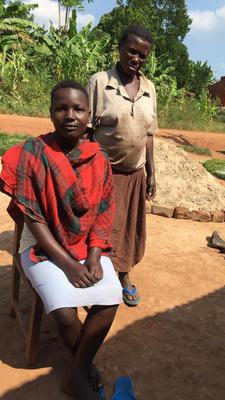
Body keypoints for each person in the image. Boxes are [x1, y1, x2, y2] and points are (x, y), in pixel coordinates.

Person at [0, 80, 123, 400]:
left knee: (111, 298)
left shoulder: (99, 159)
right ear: (51, 112)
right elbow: (35, 220)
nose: (70, 115)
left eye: (78, 109)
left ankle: (78, 369)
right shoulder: (33, 153)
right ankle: (82, 371)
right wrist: (69, 265)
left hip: (86, 242)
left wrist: (95, 255)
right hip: (42, 246)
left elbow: (104, 213)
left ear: (89, 116)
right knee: (64, 311)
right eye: (61, 108)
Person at [87, 25, 157, 307]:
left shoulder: (150, 88)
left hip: (135, 174)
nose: (136, 59)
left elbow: (149, 134)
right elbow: (86, 131)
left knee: (129, 229)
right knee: (101, 230)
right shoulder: (99, 82)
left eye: (142, 55)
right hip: (105, 175)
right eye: (132, 51)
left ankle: (123, 276)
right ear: (119, 48)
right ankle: (97, 282)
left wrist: (152, 174)